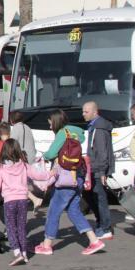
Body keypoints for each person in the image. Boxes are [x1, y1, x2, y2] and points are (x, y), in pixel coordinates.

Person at [34, 110, 105, 256]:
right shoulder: (77, 133)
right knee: (73, 210)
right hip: (77, 176)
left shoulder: (62, 133)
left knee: (54, 211)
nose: (49, 127)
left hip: (64, 179)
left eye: (50, 124)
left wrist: (44, 156)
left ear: (56, 121)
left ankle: (47, 245)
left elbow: (51, 153)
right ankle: (94, 241)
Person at [0, 139, 49, 265]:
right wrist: (51, 173)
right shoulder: (24, 165)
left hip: (9, 201)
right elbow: (37, 175)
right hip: (22, 200)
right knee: (21, 227)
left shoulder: (1, 168)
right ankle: (25, 253)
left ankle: (17, 252)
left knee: (11, 228)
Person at [82, 101, 114, 239]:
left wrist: (102, 172)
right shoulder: (94, 126)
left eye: (86, 112)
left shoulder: (99, 129)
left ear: (95, 112)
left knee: (100, 198)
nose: (83, 114)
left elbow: (102, 153)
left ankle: (105, 228)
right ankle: (101, 224)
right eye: (83, 111)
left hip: (97, 169)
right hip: (93, 168)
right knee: (90, 196)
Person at [9, 110, 43, 211]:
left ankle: (33, 198)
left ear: (12, 119)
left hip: (22, 158)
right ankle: (32, 196)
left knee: (18, 182)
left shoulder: (16, 128)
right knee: (23, 180)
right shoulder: (27, 127)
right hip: (30, 157)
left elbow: (12, 144)